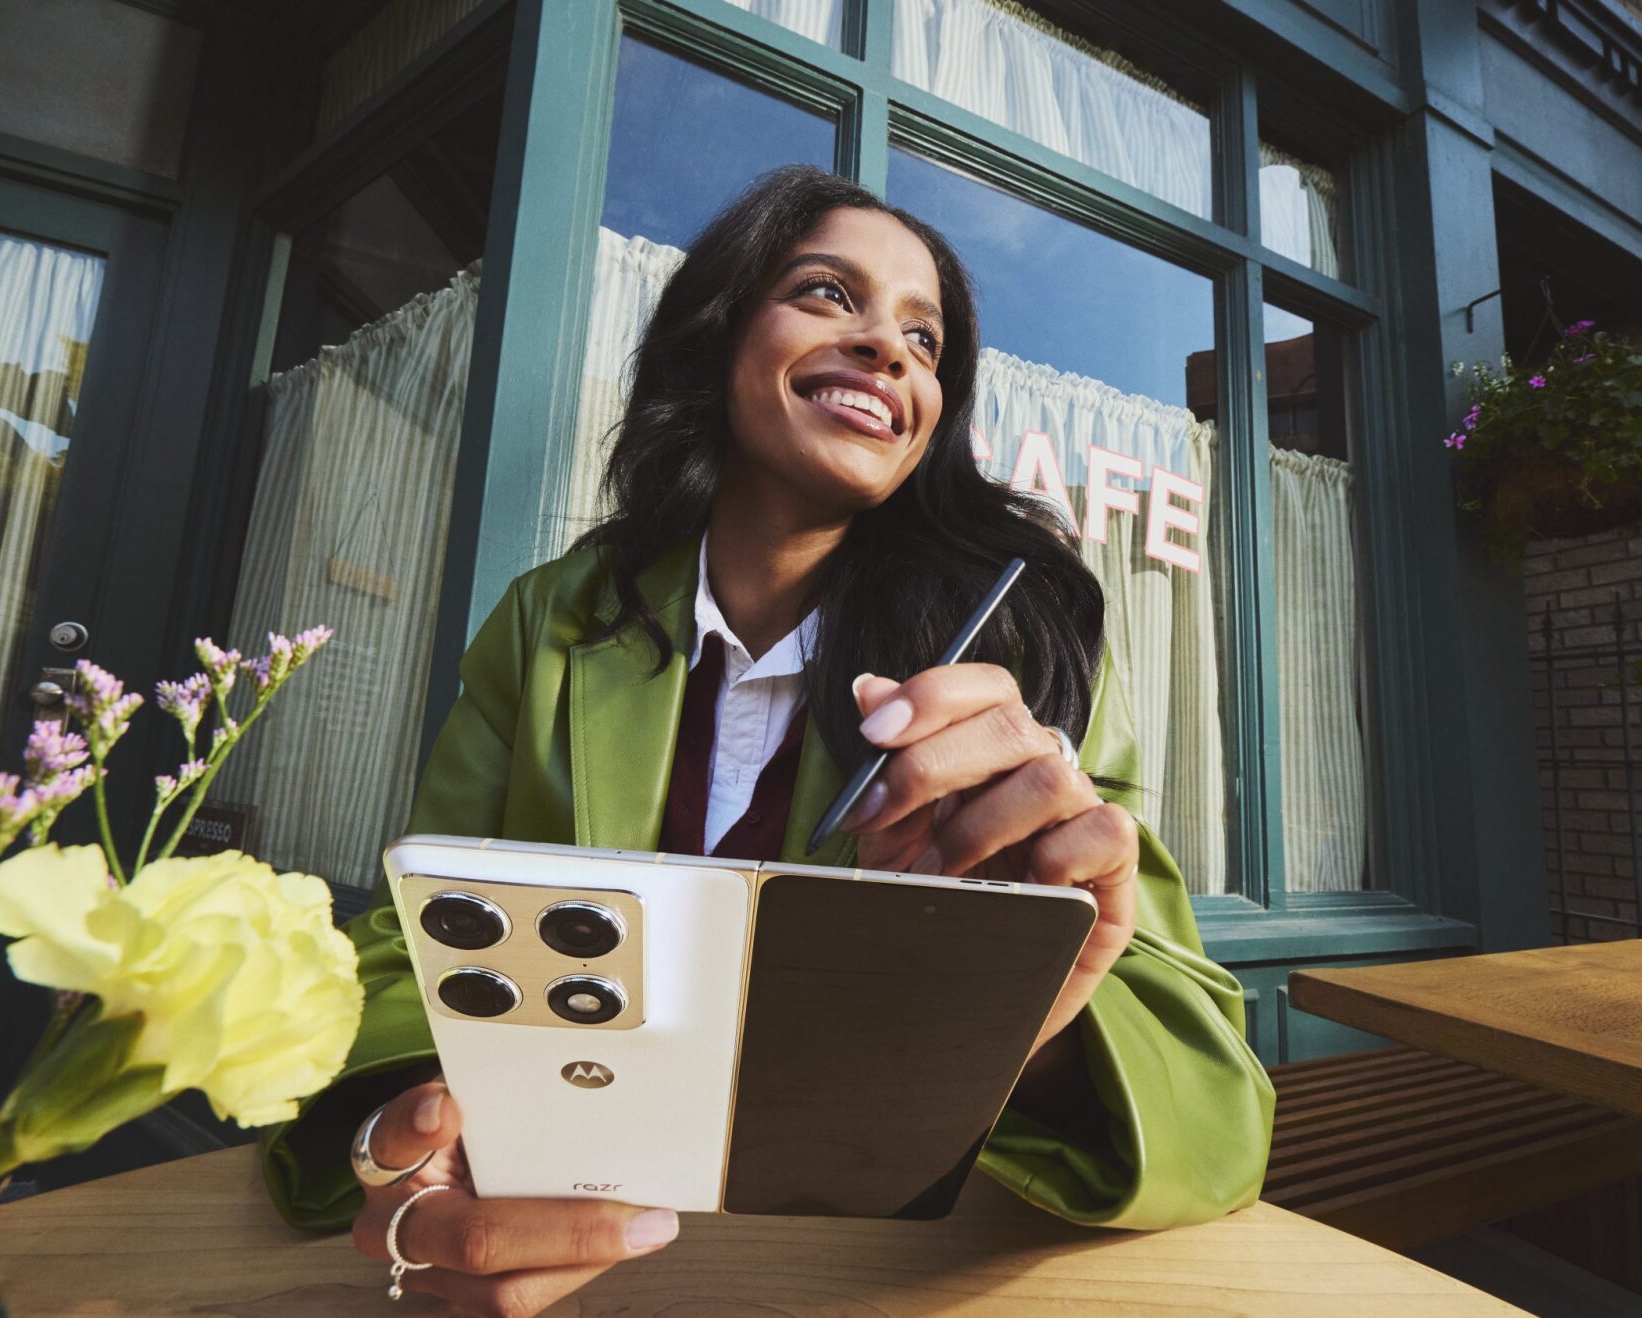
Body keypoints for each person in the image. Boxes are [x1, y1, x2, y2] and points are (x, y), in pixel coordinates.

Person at [258, 163, 1274, 1315]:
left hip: (877, 1277)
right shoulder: (550, 619)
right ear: (719, 330)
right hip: (586, 1249)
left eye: (925, 340)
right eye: (828, 293)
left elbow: (1214, 1109)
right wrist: (420, 1129)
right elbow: (410, 945)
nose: (889, 349)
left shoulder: (1029, 645)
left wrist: (1016, 1017)